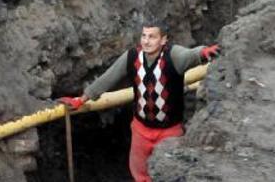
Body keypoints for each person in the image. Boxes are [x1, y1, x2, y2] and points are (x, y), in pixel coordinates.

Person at [58, 21, 220, 182]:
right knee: (140, 174)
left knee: (171, 174)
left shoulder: (173, 56)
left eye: (152, 37)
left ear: (163, 40)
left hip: (170, 132)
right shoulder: (132, 57)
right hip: (141, 130)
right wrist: (81, 99)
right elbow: (108, 78)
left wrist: (203, 52)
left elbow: (190, 55)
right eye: (144, 36)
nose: (146, 41)